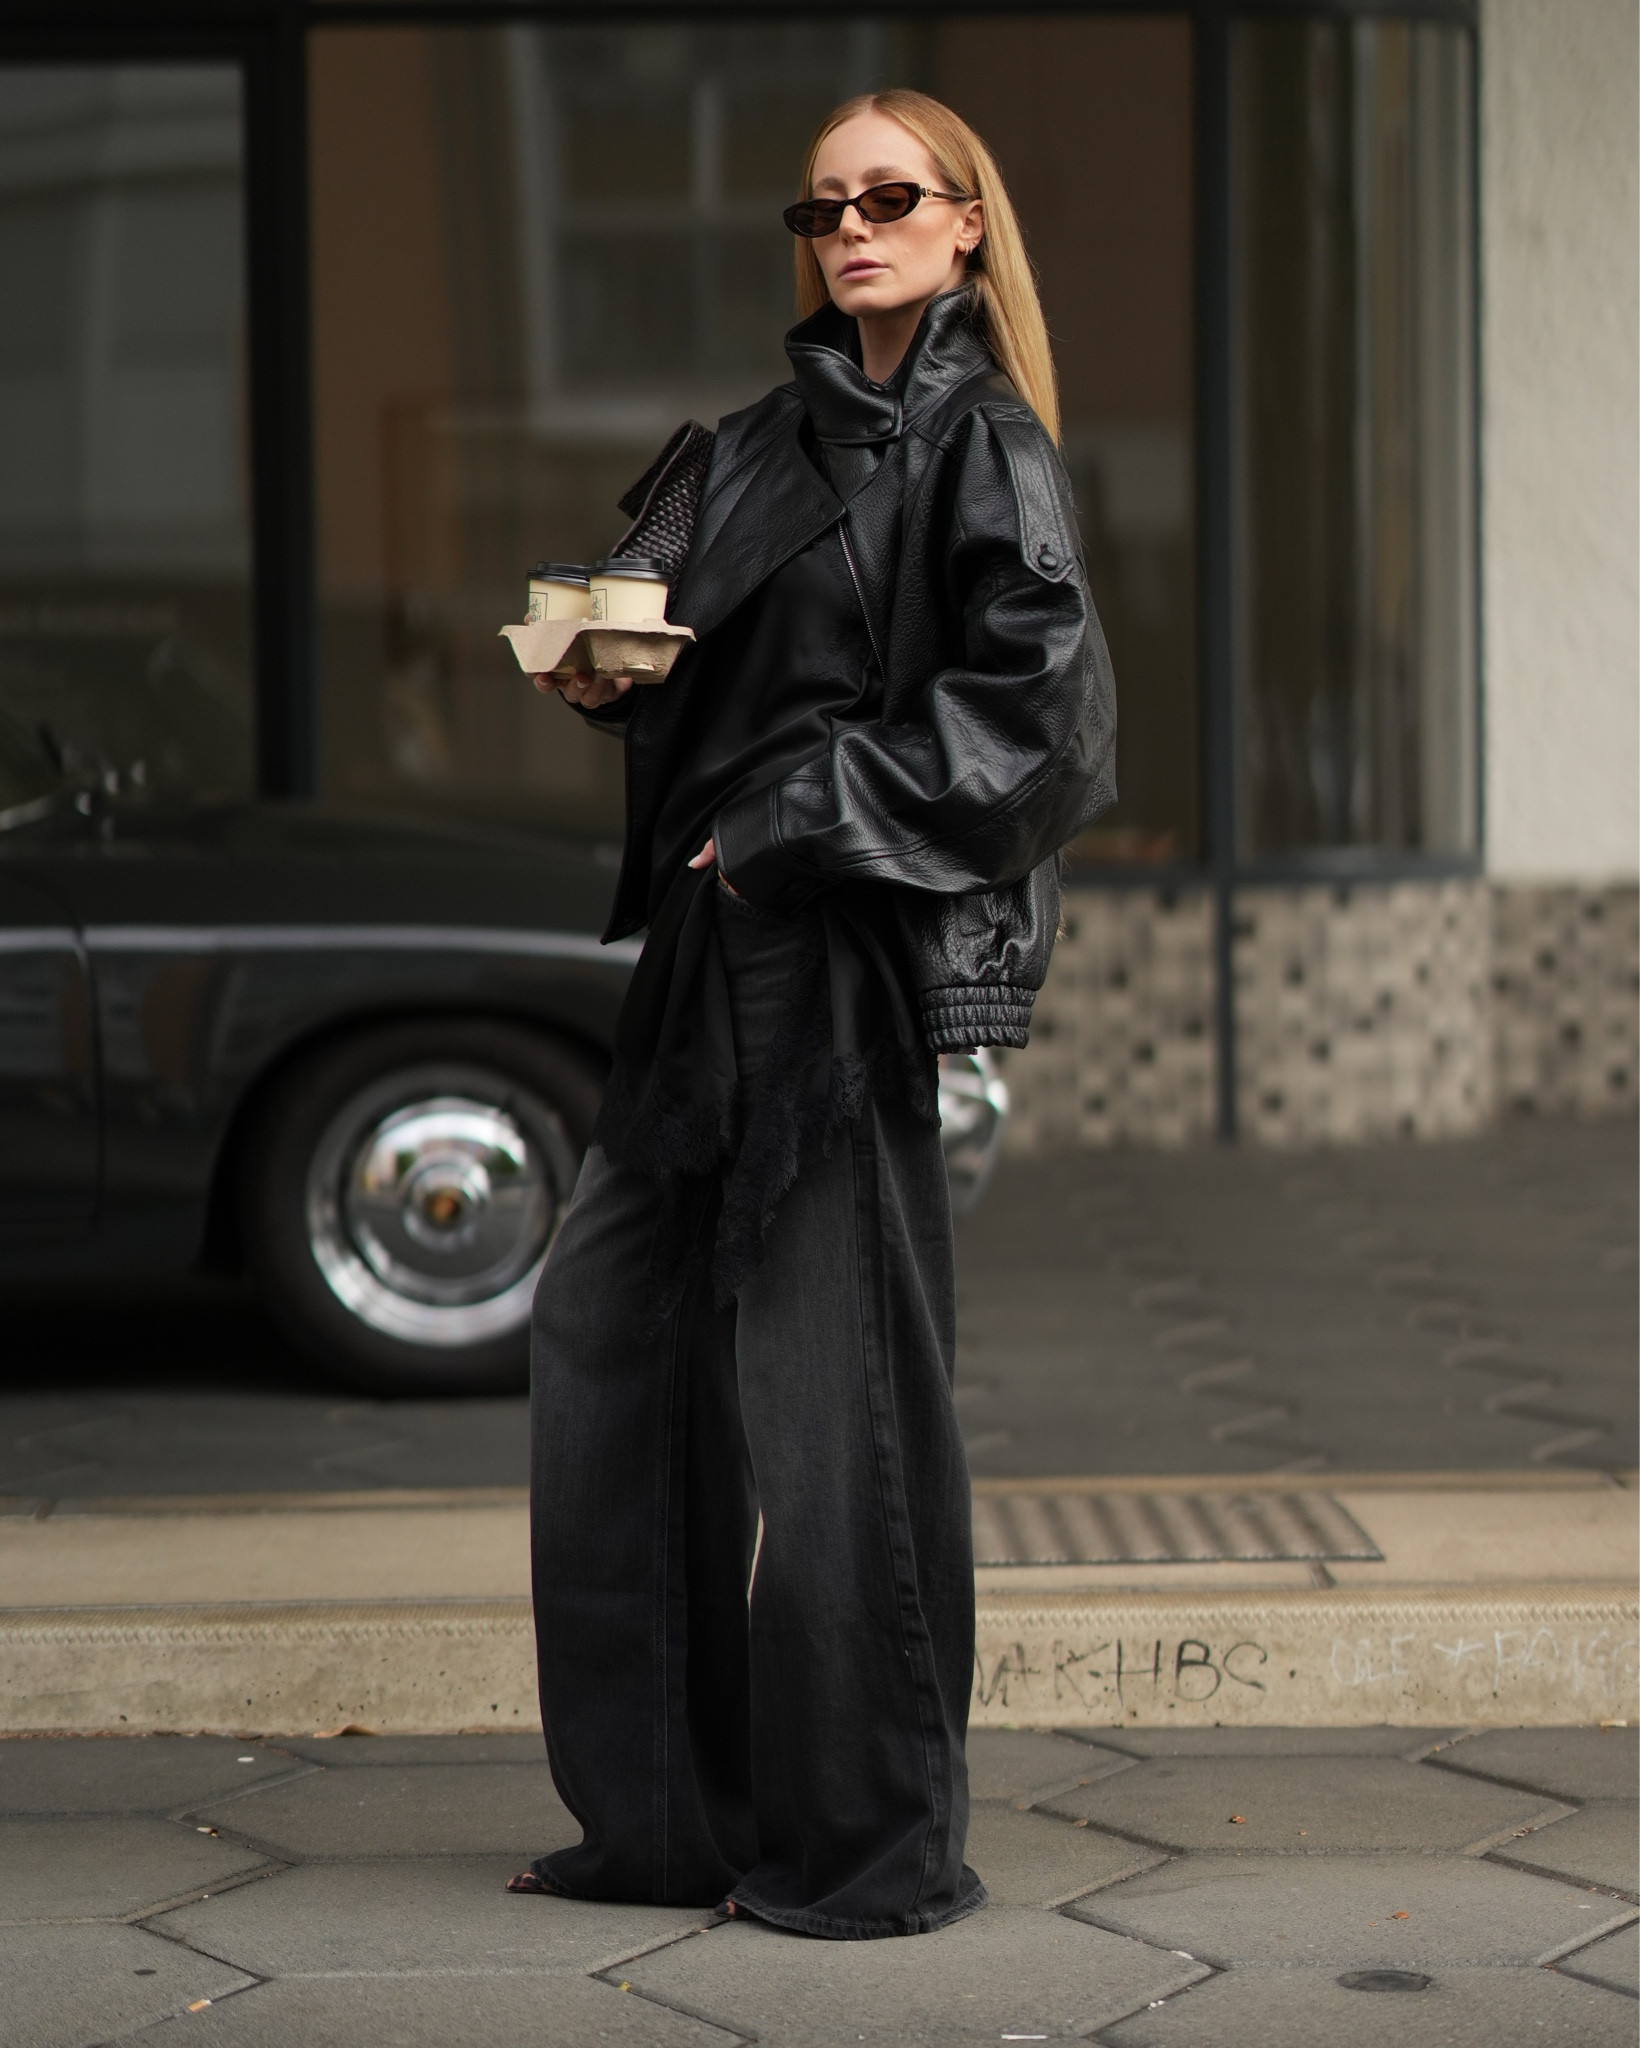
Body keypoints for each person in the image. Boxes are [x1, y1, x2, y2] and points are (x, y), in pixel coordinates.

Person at [508, 88, 1115, 1940]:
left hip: (836, 943)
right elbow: (681, 641)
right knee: (609, 1344)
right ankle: (664, 1822)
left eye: (889, 197)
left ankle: (869, 1842)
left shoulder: (983, 441)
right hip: (709, 943)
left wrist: (788, 818)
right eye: (823, 205)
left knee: (829, 1395)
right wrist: (610, 675)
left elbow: (1044, 728)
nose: (851, 226)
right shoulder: (758, 440)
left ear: (966, 223)